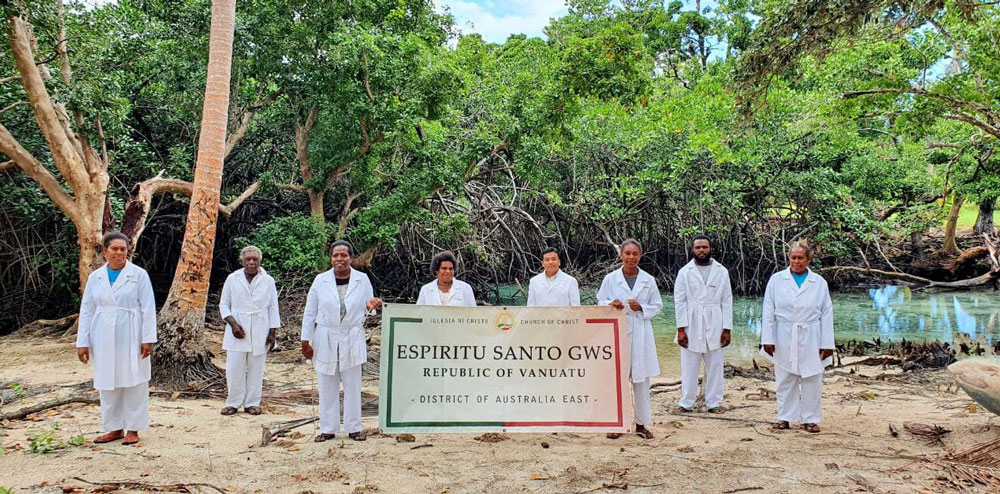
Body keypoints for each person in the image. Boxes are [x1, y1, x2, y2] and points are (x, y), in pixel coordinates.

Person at [76, 232, 156, 446]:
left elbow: (148, 308)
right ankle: (113, 428)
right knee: (107, 380)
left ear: (128, 250)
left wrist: (148, 338)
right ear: (105, 251)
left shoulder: (138, 275)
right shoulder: (96, 277)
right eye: (115, 249)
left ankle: (133, 428)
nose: (120, 253)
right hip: (102, 334)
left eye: (123, 249)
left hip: (132, 332)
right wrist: (82, 342)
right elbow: (87, 310)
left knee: (134, 379)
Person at [301, 241, 381, 442]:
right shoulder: (321, 281)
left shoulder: (362, 280)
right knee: (327, 383)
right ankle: (328, 428)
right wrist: (305, 341)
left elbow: (369, 310)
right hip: (325, 336)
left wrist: (373, 305)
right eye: (335, 255)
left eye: (343, 255)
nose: (339, 259)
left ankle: (354, 427)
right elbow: (310, 312)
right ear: (331, 258)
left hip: (352, 335)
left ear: (351, 258)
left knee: (352, 383)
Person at [760, 241, 834, 433]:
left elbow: (826, 314)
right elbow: (768, 311)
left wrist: (827, 343)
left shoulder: (819, 283)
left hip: (812, 333)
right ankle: (785, 417)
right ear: (789, 258)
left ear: (808, 259)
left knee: (812, 377)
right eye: (794, 257)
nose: (797, 261)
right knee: (785, 376)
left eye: (801, 258)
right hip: (783, 333)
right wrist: (768, 339)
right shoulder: (777, 280)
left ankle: (810, 419)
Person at [597, 239, 662, 440]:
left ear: (640, 256)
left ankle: (642, 424)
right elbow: (600, 300)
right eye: (628, 253)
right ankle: (617, 423)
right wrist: (611, 303)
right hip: (618, 332)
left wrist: (641, 308)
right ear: (621, 255)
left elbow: (658, 305)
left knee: (641, 381)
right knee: (618, 380)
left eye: (635, 254)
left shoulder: (648, 280)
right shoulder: (611, 278)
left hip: (641, 332)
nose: (631, 257)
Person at [674, 235, 733, 413]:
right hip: (691, 321)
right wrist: (681, 329)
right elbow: (680, 301)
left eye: (704, 247)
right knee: (689, 365)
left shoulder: (721, 271)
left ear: (710, 249)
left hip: (715, 319)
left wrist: (727, 328)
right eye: (698, 247)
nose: (701, 250)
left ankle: (714, 403)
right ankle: (686, 403)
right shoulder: (685, 272)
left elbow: (727, 300)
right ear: (693, 250)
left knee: (715, 364)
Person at [219, 246, 281, 416]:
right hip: (237, 328)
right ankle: (233, 402)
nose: (252, 262)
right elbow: (224, 304)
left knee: (256, 368)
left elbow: (273, 307)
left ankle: (252, 403)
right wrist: (233, 325)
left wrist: (272, 333)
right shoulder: (233, 278)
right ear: (243, 261)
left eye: (255, 259)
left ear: (260, 261)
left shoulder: (268, 280)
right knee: (234, 368)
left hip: (261, 327)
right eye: (248, 259)